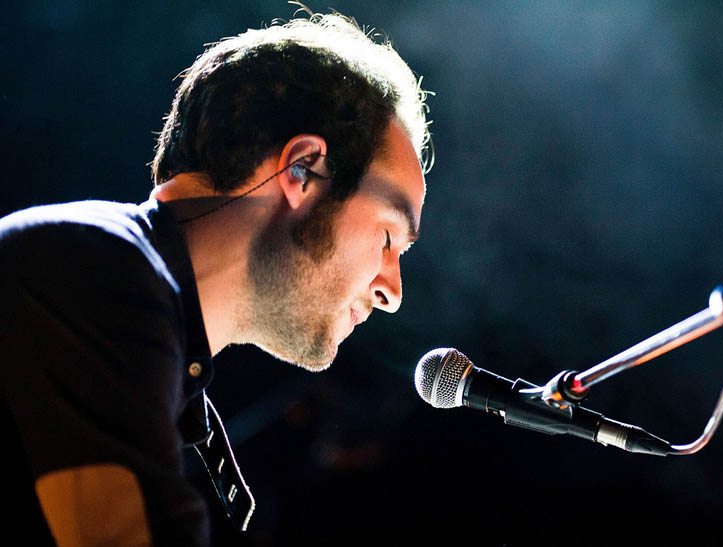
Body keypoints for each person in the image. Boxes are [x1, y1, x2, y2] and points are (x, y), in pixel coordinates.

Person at [0, 10, 430, 545]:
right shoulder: (92, 268)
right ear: (302, 170)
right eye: (389, 237)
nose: (392, 292)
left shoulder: (148, 339)